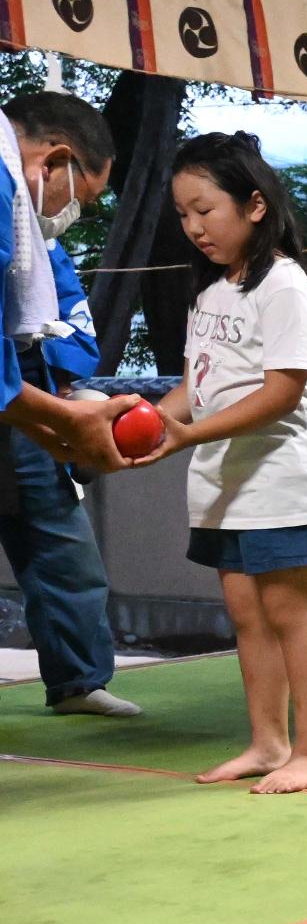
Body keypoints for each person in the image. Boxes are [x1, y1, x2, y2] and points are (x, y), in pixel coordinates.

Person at [143, 133, 307, 794]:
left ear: (254, 205)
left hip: (282, 478)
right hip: (225, 483)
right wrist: (141, 420)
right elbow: (195, 388)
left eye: (205, 209)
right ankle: (267, 742)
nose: (193, 227)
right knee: (248, 615)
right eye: (182, 214)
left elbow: (283, 390)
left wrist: (183, 433)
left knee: (290, 610)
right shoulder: (211, 293)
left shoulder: (283, 285)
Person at [3, 233, 142, 717]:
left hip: (31, 393)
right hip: (23, 391)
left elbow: (70, 318)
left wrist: (63, 389)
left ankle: (77, 680)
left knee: (62, 547)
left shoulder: (41, 239)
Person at [1, 91, 140, 570]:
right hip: (24, 398)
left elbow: (73, 333)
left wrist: (47, 420)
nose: (74, 214)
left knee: (69, 573)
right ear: (57, 160)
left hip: (23, 401)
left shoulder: (34, 239)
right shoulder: (5, 195)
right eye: (84, 200)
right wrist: (63, 420)